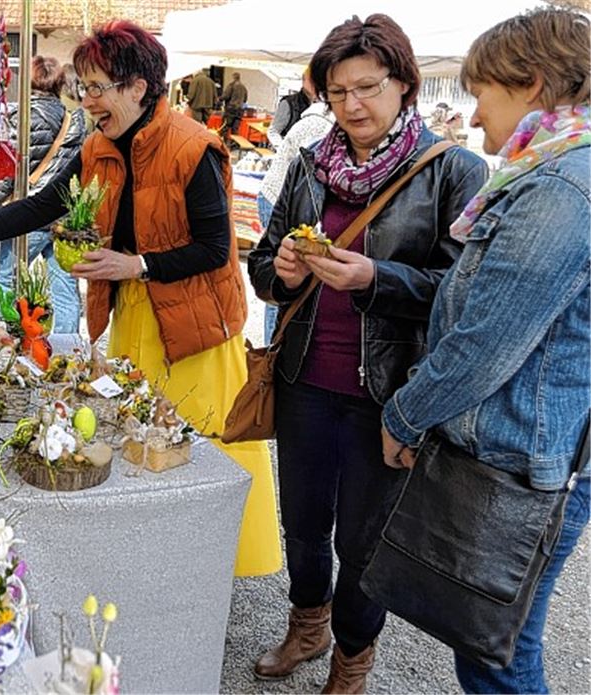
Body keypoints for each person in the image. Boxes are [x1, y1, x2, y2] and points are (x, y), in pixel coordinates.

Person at [0, 20, 282, 579]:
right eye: (83, 87)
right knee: (138, 442)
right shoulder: (98, 146)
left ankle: (212, 569)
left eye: (98, 87)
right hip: (133, 317)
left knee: (201, 454)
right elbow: (44, 204)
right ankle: (153, 562)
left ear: (138, 88)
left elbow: (218, 249)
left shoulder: (194, 147)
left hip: (196, 327)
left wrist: (137, 264)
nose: (88, 100)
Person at [247, 13, 487, 693]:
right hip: (302, 377)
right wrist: (283, 272)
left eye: (368, 88)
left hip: (388, 392)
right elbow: (262, 263)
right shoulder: (309, 166)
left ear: (405, 83)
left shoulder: (454, 171)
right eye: (338, 92)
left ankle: (354, 654)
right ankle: (307, 624)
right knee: (302, 524)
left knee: (362, 540)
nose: (352, 105)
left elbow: (464, 296)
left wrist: (374, 278)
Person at [380, 8, 589, 693]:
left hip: (522, 460)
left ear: (532, 84)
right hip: (532, 450)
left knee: (497, 650)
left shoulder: (561, 186)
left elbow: (485, 344)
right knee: (495, 639)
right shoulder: (559, 170)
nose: (471, 117)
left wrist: (404, 413)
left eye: (481, 93)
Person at [0, 55, 87, 334]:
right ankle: (68, 347)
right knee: (64, 285)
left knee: (7, 280)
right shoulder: (73, 119)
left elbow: (7, 175)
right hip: (63, 215)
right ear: (58, 84)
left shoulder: (21, 119)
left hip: (28, 215)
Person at [256, 72, 333, 343]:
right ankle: (271, 344)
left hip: (285, 195)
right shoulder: (314, 121)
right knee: (283, 270)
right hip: (277, 196)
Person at [268, 69, 316, 147]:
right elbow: (273, 131)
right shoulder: (288, 103)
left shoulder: (323, 104)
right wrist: (282, 147)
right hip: (289, 152)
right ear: (304, 81)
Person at [222, 71, 248, 135]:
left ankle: (224, 142)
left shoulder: (231, 85)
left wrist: (219, 99)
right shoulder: (243, 87)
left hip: (231, 109)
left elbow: (226, 96)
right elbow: (245, 99)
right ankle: (234, 143)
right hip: (240, 110)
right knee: (235, 128)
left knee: (226, 126)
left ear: (233, 77)